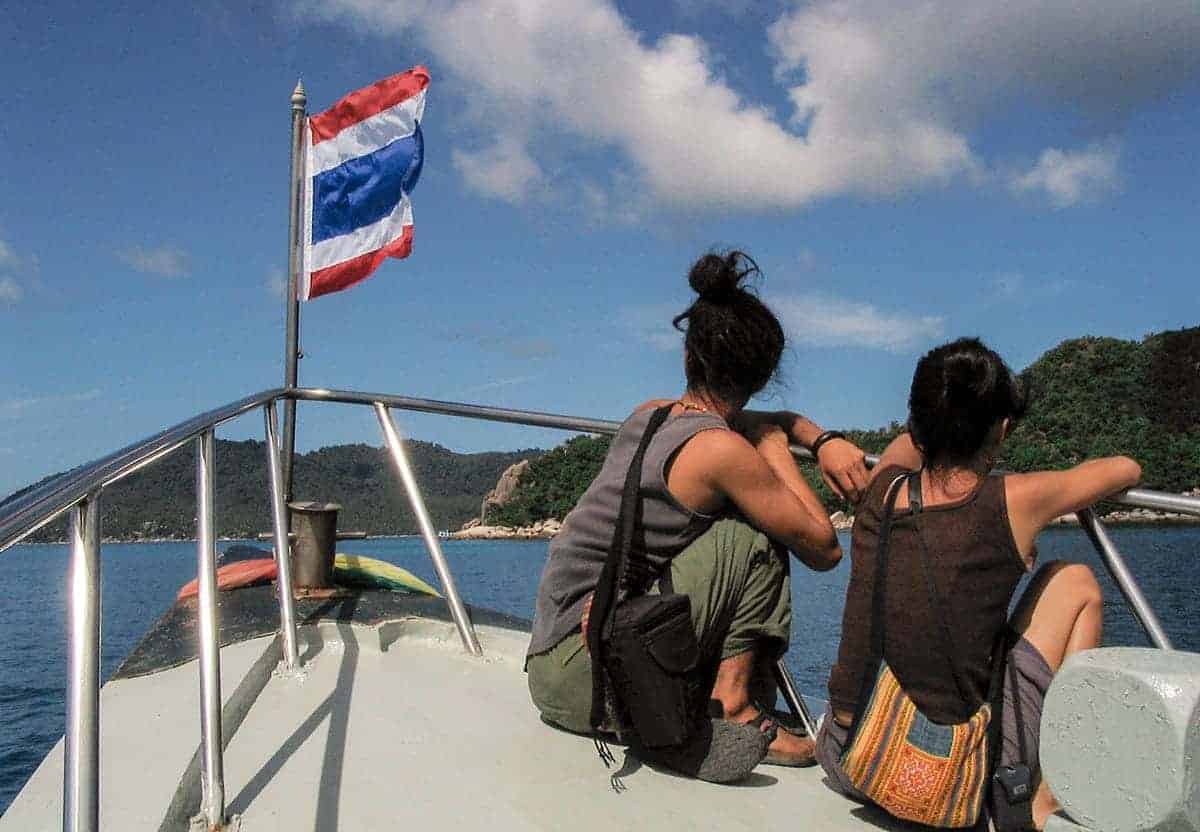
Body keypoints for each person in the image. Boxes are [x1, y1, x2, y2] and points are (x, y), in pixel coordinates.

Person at [525, 250, 870, 782]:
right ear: (762, 376)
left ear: (689, 354)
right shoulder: (722, 452)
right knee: (754, 536)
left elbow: (757, 418)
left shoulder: (651, 414)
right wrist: (776, 449)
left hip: (550, 665)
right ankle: (733, 705)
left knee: (739, 525)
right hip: (592, 683)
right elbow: (824, 549)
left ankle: (712, 692)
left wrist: (817, 437)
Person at [816, 337, 1142, 831]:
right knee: (1075, 582)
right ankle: (1043, 801)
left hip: (850, 753)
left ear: (917, 424)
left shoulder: (884, 486)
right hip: (941, 782)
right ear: (1002, 429)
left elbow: (906, 446)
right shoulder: (1013, 499)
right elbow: (1125, 469)